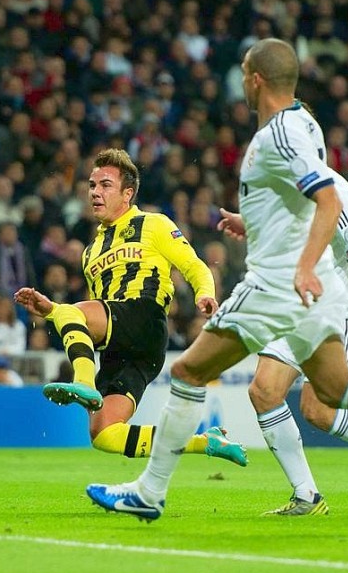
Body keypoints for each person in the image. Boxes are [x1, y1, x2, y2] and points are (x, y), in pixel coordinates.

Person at [85, 38, 348, 522]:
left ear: (256, 80)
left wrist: (306, 264)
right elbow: (302, 204)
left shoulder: (280, 135)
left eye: (245, 71)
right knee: (335, 392)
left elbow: (328, 200)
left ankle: (149, 493)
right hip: (305, 295)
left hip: (275, 287)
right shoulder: (302, 125)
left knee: (187, 372)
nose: (242, 81)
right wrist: (253, 224)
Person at [14, 148, 247, 465]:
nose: (95, 192)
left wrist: (204, 294)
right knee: (105, 435)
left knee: (71, 311)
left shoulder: (153, 224)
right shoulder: (90, 251)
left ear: (128, 193)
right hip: (126, 346)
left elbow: (195, 266)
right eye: (92, 185)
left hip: (144, 317)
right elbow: (92, 317)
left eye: (105, 185)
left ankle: (82, 382)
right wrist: (51, 311)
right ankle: (206, 442)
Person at [219, 174, 348, 514]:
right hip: (299, 302)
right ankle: (307, 497)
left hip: (340, 310)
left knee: (319, 410)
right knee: (264, 391)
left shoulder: (339, 201)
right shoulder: (285, 179)